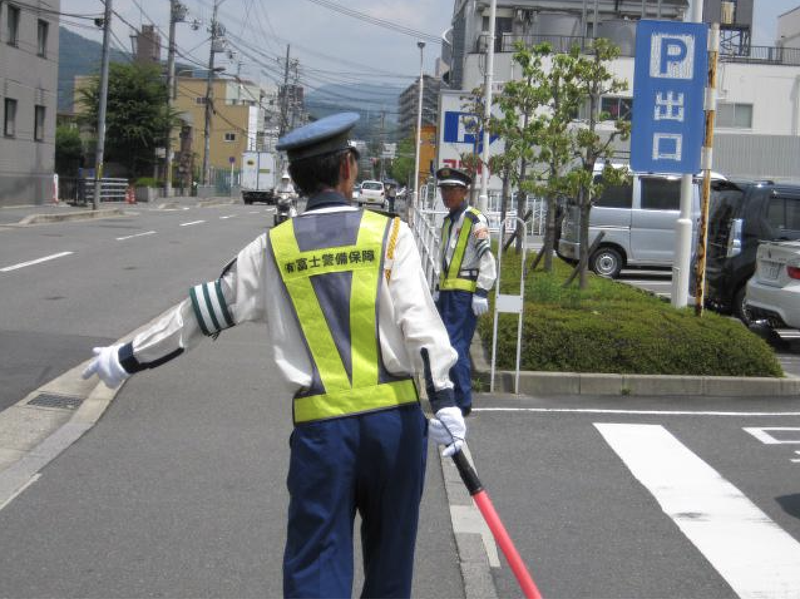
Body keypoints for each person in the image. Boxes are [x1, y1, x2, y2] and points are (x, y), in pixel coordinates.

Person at [82, 112, 467, 599]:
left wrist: (126, 357)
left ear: (296, 180)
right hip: (395, 426)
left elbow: (199, 313)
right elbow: (421, 325)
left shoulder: (271, 248)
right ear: (349, 168)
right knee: (391, 569)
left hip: (322, 432)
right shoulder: (390, 236)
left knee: (316, 569)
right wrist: (446, 398)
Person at [434, 167, 497, 417]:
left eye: (452, 190)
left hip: (464, 296)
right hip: (448, 294)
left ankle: (461, 400)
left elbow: (487, 258)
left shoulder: (474, 220)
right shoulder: (449, 221)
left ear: (464, 192)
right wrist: (438, 290)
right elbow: (446, 259)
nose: (446, 194)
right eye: (444, 189)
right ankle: (454, 396)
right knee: (447, 344)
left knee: (454, 346)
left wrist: (482, 291)